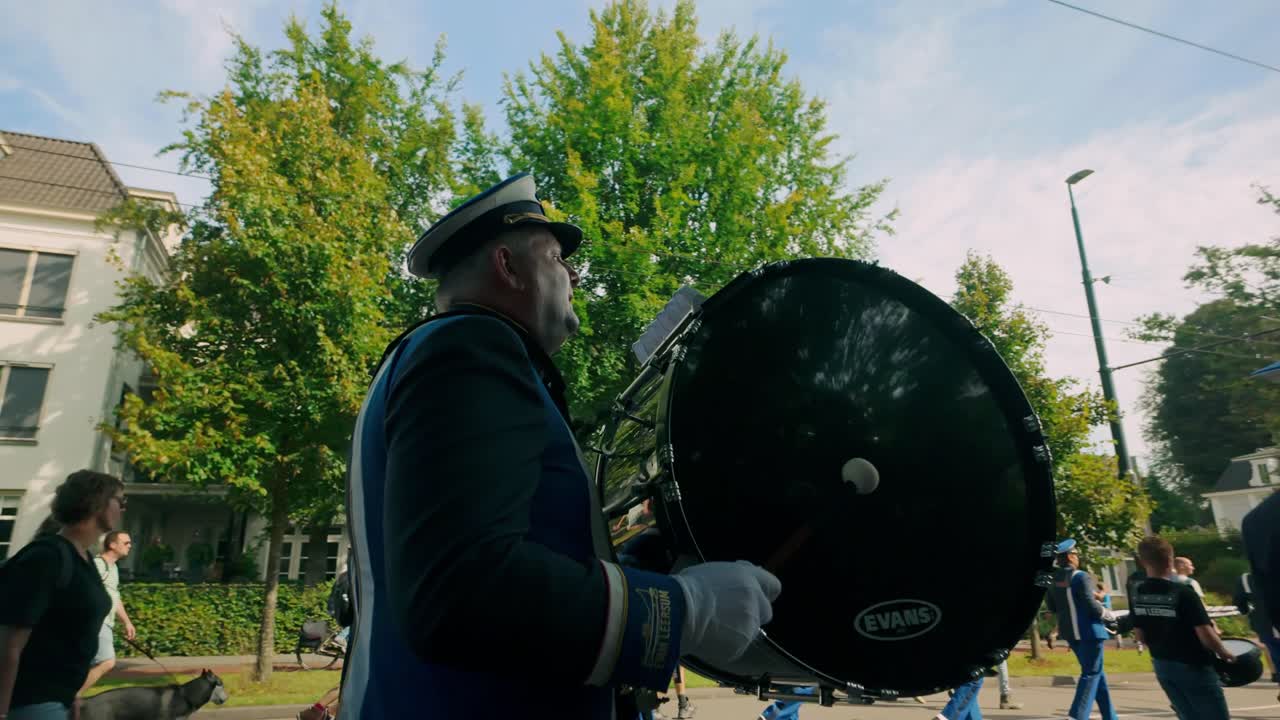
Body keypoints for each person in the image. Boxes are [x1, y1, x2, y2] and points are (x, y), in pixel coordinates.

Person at [341, 173, 781, 719]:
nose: (573, 273)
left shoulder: (439, 355)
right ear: (507, 267)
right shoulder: (472, 348)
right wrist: (682, 610)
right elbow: (461, 591)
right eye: (556, 258)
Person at [0, 471, 122, 720]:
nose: (123, 509)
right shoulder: (46, 558)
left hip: (58, 700)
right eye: (121, 501)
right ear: (98, 503)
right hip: (29, 703)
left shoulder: (84, 558)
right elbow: (9, 644)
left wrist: (72, 694)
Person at [1130, 535, 1234, 720]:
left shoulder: (1137, 593)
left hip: (1162, 664)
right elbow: (1205, 634)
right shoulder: (1185, 593)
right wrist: (1225, 653)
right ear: (1170, 561)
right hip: (1193, 665)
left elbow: (1140, 635)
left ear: (1143, 562)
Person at [1043, 539, 1118, 720]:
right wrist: (1109, 615)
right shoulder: (1081, 576)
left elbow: (1051, 607)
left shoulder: (1053, 580)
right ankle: (1077, 715)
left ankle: (1110, 716)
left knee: (1097, 675)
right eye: (1075, 554)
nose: (1077, 557)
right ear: (1070, 556)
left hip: (1071, 634)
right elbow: (1091, 605)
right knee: (1091, 673)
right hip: (1090, 632)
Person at [80, 531, 137, 692]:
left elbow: (115, 596)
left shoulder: (114, 568)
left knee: (87, 663)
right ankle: (72, 698)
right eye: (126, 543)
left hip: (105, 622)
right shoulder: (98, 564)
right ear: (112, 545)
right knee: (106, 661)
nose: (130, 546)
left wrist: (126, 621)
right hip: (97, 621)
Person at [1234, 571, 1280, 684]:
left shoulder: (1246, 578)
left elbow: (1240, 602)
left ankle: (1276, 674)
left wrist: (1247, 612)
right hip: (1268, 620)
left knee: (1273, 649)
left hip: (1264, 621)